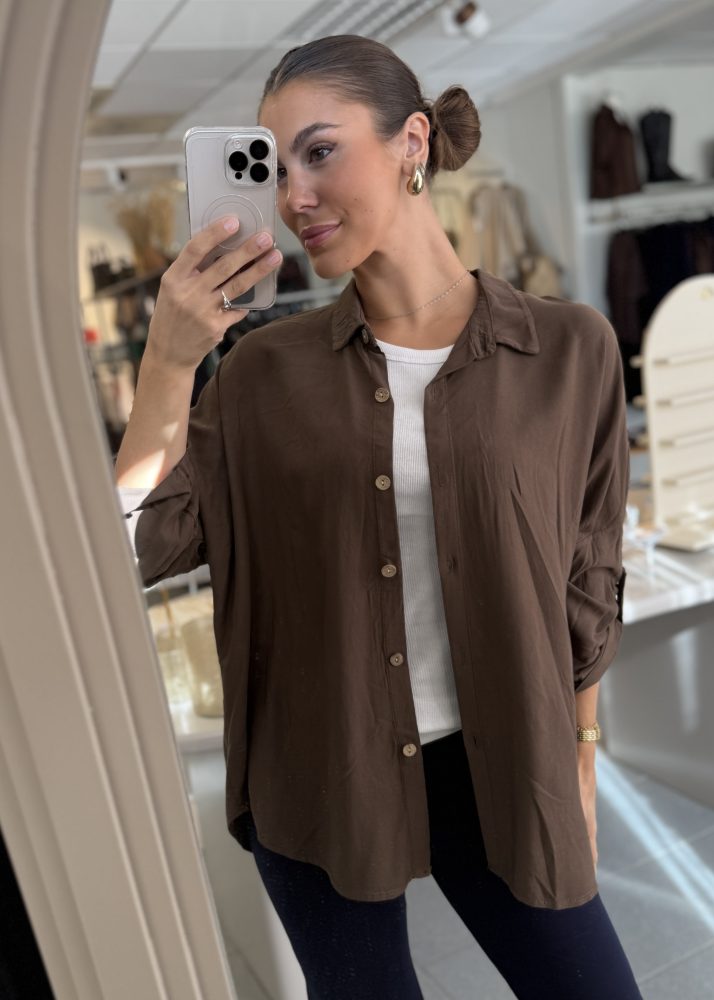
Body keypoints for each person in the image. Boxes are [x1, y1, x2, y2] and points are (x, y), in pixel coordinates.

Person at [117, 34, 642, 1000]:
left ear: (412, 143)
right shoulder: (262, 374)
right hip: (323, 775)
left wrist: (580, 750)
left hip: (509, 766)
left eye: (319, 152)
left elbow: (589, 569)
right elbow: (129, 548)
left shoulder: (570, 350)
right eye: (275, 170)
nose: (294, 197)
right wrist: (170, 360)